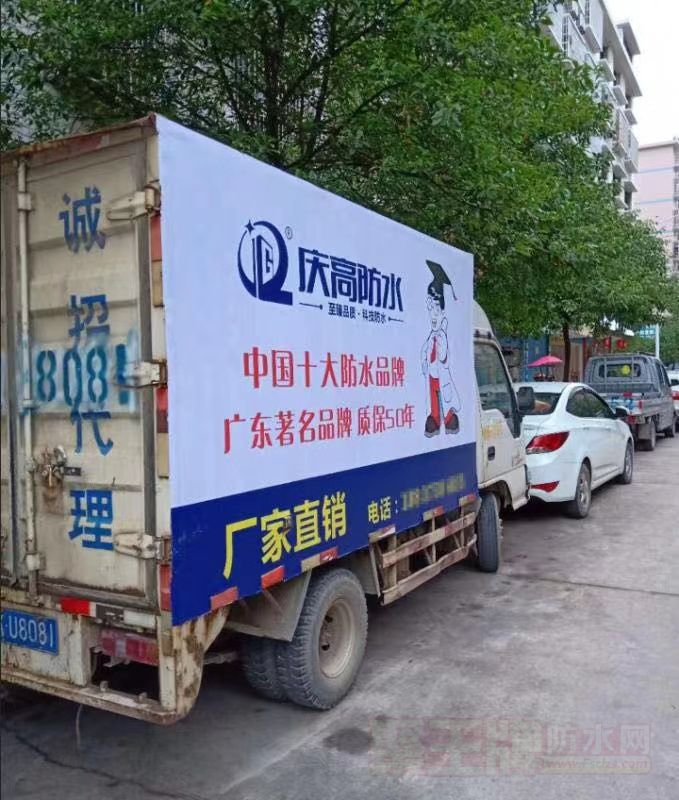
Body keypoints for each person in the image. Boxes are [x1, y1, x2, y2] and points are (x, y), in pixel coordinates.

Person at [421, 260, 461, 436]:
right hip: (431, 379)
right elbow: (424, 355)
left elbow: (443, 356)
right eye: (431, 309)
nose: (433, 316)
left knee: (444, 402)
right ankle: (435, 420)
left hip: (440, 378)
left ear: (443, 312)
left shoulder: (442, 337)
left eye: (437, 310)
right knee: (433, 405)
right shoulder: (430, 338)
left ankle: (447, 420)